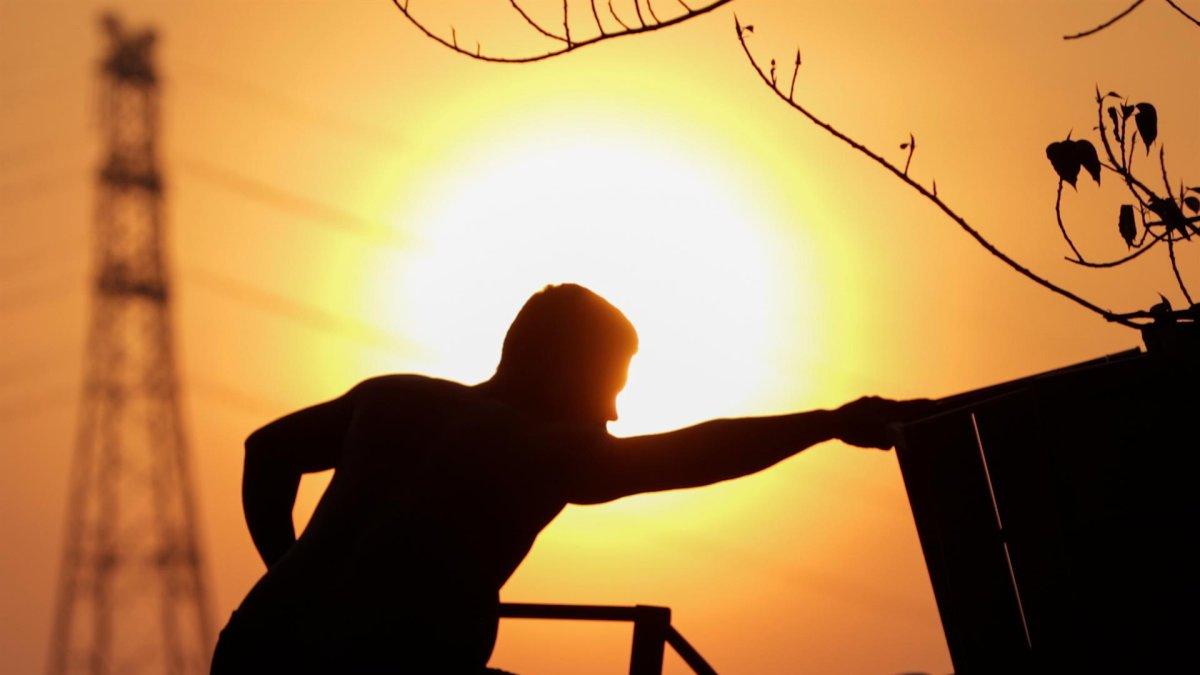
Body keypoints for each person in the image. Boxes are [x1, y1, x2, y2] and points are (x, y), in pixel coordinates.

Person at [211, 283, 934, 674]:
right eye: (611, 384)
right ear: (565, 370)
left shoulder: (394, 396)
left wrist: (296, 580)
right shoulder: (544, 449)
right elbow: (694, 452)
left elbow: (265, 450)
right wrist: (827, 422)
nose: (616, 410)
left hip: (256, 646)